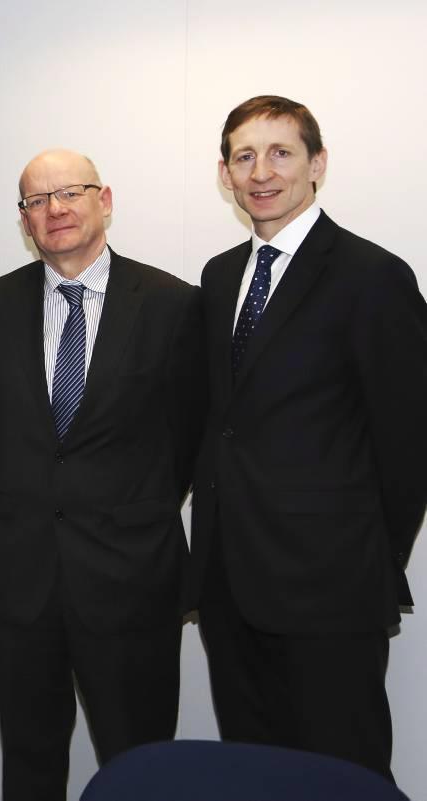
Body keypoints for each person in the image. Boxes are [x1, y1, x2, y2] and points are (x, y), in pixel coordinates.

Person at [189, 95, 427, 780]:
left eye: (281, 153)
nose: (261, 172)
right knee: (255, 775)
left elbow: (409, 442)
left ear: (317, 164)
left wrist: (365, 557)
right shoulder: (219, 276)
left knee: (341, 777)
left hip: (331, 590)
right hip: (230, 585)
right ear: (225, 174)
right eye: (244, 157)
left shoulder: (372, 276)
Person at [0, 149, 205, 799]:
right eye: (36, 200)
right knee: (29, 761)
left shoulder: (173, 304)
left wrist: (125, 505)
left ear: (105, 200)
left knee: (141, 767)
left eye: (70, 192)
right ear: (24, 220)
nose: (55, 209)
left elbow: (189, 439)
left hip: (133, 576)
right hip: (23, 576)